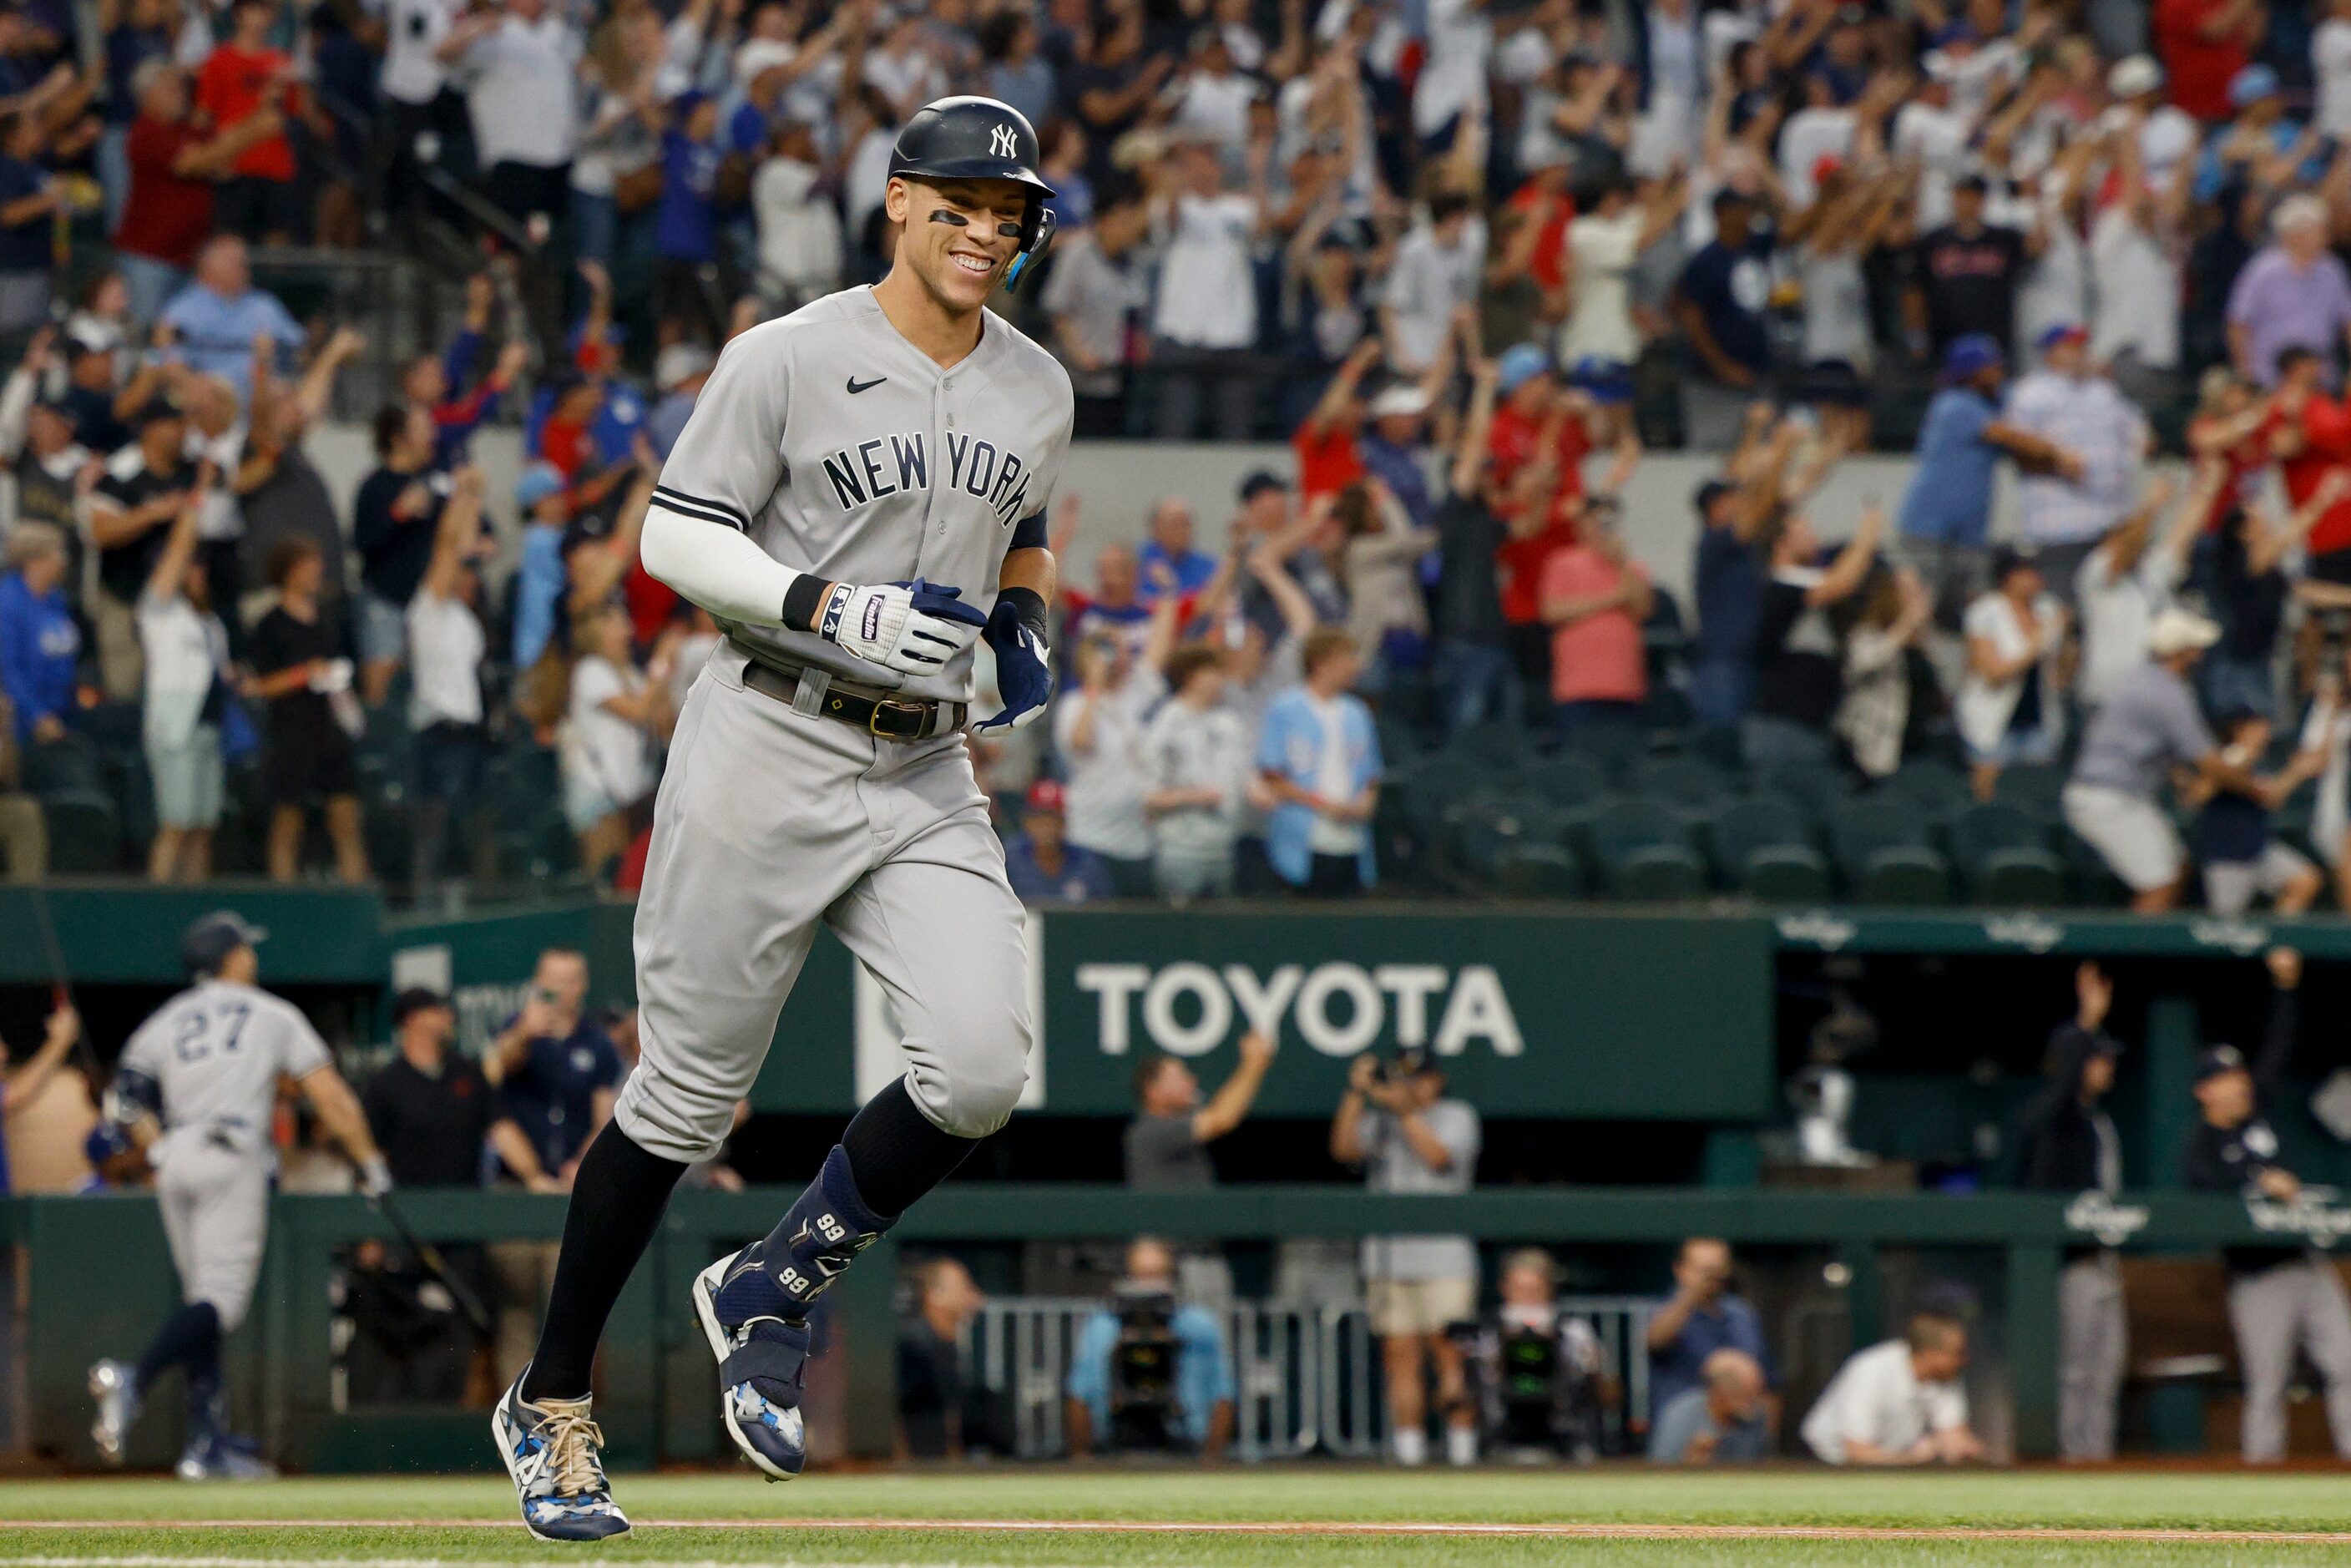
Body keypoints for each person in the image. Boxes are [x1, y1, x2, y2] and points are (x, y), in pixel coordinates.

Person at [489, 97, 1069, 1539]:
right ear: (895, 201)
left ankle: (773, 1275)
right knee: (681, 1100)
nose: (984, 232)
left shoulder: (1038, 384)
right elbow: (673, 530)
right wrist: (829, 601)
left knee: (985, 1062)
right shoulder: (788, 354)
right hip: (771, 731)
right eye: (960, 205)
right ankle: (551, 1397)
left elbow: (1029, 536)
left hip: (926, 764)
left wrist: (1029, 630)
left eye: (1007, 215)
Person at [88, 912, 389, 1480]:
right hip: (233, 1152)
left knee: (204, 1303)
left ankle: (207, 1445)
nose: (252, 955)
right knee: (219, 1302)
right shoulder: (271, 1013)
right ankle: (135, 1379)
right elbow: (331, 1095)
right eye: (245, 948)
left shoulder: (164, 1020)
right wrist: (370, 1162)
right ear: (232, 957)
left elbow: (124, 1106)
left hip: (175, 1156)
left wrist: (156, 1149)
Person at [2183, 948, 2351, 1463]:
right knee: (2267, 1384)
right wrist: (2258, 1177)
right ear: (2204, 1091)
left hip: (2307, 1263)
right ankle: (2263, 1478)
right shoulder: (2200, 1144)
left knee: (2346, 1366)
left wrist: (2285, 989)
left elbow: (2278, 1047)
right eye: (2227, 1080)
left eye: (2240, 1078)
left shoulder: (2262, 1114)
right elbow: (2206, 1188)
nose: (2240, 1086)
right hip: (2258, 1277)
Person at [1331, 1049, 1482, 1467]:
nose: (1412, 1086)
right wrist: (1357, 1092)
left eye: (1421, 1078)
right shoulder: (1379, 1119)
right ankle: (1410, 1453)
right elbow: (1344, 1150)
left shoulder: (1456, 1116)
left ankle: (1463, 1450)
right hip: (1390, 1257)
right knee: (1401, 1357)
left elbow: (1439, 1159)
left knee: (1451, 1356)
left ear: (1437, 1080)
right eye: (1404, 1078)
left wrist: (1405, 1113)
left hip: (1445, 1256)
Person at [484, 948, 624, 1388]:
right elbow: (491, 1077)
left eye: (570, 980)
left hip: (570, 1189)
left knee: (564, 1306)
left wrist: (581, 1165)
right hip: (517, 1188)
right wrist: (523, 1033)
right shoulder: (517, 1029)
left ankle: (557, 1406)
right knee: (515, 1306)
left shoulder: (596, 1043)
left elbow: (604, 1113)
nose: (560, 990)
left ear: (582, 985)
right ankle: (515, 1407)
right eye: (552, 980)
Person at [2064, 607, 2252, 912]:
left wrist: (2184, 781)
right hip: (2108, 799)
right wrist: (2254, 789)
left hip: (2123, 797)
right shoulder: (2166, 692)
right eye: (2194, 649)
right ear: (2180, 652)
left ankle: (2150, 955)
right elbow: (2209, 761)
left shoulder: (2141, 679)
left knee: (2178, 867)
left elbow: (2157, 747)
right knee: (2160, 883)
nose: (2200, 656)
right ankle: (2114, 959)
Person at [2015, 962, 2127, 1462]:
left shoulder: (2096, 1121)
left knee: (2105, 1372)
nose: (2107, 1065)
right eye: (2097, 1058)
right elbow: (2061, 1093)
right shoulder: (2049, 1117)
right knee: (2074, 1370)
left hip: (2103, 1260)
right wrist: (2086, 1024)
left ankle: (2096, 1461)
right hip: (2064, 1265)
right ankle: (2065, 1462)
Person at [1897, 336, 2081, 628]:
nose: (1998, 372)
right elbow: (2013, 438)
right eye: (1990, 367)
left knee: (1974, 613)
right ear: (1972, 372)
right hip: (1928, 529)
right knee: (1920, 611)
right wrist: (2061, 455)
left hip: (1969, 533)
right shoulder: (1954, 404)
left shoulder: (1993, 400)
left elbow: (2023, 403)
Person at [249, 539, 367, 885]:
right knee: (288, 820)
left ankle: (355, 897)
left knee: (346, 818)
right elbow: (260, 684)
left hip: (330, 729)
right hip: (292, 733)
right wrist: (304, 674)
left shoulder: (330, 619)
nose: (317, 572)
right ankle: (285, 900)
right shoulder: (271, 625)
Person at [2004, 325, 2151, 595]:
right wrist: (2055, 459)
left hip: (2109, 521)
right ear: (2051, 353)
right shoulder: (2031, 392)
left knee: (2109, 605)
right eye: (2071, 347)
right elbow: (2016, 449)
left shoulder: (2102, 390)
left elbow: (2138, 435)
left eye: (2082, 347)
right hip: (2059, 524)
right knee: (2062, 608)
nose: (2080, 354)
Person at [1064, 1237, 1236, 1457]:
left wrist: (1212, 1456)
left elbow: (1222, 1393)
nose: (1148, 1288)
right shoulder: (1102, 1327)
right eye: (1141, 1277)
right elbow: (1079, 1392)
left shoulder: (1198, 1326)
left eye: (1156, 1276)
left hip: (1185, 1441)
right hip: (1115, 1442)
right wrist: (1081, 1456)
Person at [1745, 503, 1886, 768]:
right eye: (1804, 533)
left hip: (1811, 724)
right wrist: (1867, 536)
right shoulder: (1782, 583)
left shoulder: (1804, 581)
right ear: (1781, 544)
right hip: (1782, 726)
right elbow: (1841, 582)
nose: (1814, 538)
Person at [407, 465, 491, 898]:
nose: (469, 576)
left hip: (469, 733)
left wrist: (473, 500)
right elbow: (449, 548)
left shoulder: (464, 619)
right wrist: (462, 494)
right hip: (439, 732)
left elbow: (464, 548)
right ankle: (426, 902)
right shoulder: (428, 609)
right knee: (436, 826)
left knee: (466, 830)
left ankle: (463, 901)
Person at [138, 477, 226, 883]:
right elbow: (176, 553)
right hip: (176, 725)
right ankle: (160, 900)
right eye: (192, 567)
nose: (198, 573)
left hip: (208, 726)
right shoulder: (158, 612)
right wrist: (193, 506)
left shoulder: (210, 623)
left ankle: (195, 901)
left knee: (202, 826)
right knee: (174, 823)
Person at [1256, 627, 1383, 895]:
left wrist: (1365, 804)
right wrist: (1322, 804)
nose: (1355, 666)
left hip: (1351, 839)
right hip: (1303, 840)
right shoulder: (1285, 708)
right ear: (1320, 664)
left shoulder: (1358, 713)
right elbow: (1272, 776)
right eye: (1347, 658)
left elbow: (1372, 775)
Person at [1472, 1248, 1615, 1463]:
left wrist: (1591, 1368)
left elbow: (1609, 1394)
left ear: (1550, 1288)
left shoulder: (1574, 1330)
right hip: (1501, 1435)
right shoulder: (1484, 1331)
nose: (1528, 1296)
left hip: (1563, 1434)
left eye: (1536, 1288)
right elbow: (1461, 1393)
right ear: (1504, 1287)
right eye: (1520, 1289)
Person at [1800, 1311, 1986, 1466]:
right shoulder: (1871, 1369)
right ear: (1930, 1354)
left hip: (1890, 1464)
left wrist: (1966, 1451)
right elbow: (1856, 1450)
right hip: (1827, 1464)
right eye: (1958, 1353)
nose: (1964, 1361)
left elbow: (1953, 1436)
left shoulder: (1946, 1377)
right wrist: (1913, 1459)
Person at [1957, 549, 2069, 802]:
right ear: (2009, 577)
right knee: (1990, 795)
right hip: (1994, 722)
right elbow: (1994, 673)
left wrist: (2066, 641)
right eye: (2028, 571)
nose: (2037, 577)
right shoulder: (1985, 612)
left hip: (2039, 721)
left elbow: (2059, 677)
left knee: (2036, 794)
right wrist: (2039, 641)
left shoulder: (2047, 610)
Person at [1140, 644, 1251, 899]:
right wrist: (1196, 796)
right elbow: (1149, 798)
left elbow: (1243, 775)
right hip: (1181, 850)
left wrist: (1258, 789)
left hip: (1224, 847)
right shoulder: (1165, 726)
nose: (1220, 679)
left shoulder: (1229, 723)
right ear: (1191, 677)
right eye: (1212, 672)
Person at [2193, 711, 2327, 917]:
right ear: (2240, 730)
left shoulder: (2261, 762)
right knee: (2226, 927)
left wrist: (2297, 771)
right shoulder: (2226, 756)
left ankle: (2279, 945)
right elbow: (2199, 794)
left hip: (2257, 848)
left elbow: (2270, 798)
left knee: (2304, 880)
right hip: (2226, 854)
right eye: (2256, 728)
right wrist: (2239, 762)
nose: (2264, 733)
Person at [1645, 1237, 1772, 1427]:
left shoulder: (1742, 1314)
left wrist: (1768, 1435)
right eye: (1703, 1268)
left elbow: (1769, 1382)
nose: (1712, 1275)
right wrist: (1691, 1292)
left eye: (1717, 1268)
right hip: (1683, 1428)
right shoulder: (1664, 1311)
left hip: (1741, 1426)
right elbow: (1656, 1340)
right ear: (1680, 1269)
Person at [1125, 1033, 1276, 1190]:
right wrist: (1253, 1064)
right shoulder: (1149, 1131)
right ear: (1152, 1090)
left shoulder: (1184, 1119)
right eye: (1180, 1077)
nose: (1191, 1081)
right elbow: (1221, 1119)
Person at [897, 1255, 996, 1459]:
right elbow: (893, 1410)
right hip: (914, 1465)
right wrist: (899, 1462)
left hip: (938, 1463)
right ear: (935, 1294)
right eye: (964, 1287)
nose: (973, 1296)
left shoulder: (950, 1343)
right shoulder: (913, 1344)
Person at [0, 524, 78, 750]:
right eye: (57, 554)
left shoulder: (56, 598)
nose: (63, 561)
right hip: (26, 723)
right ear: (33, 561)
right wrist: (38, 714)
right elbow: (9, 669)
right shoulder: (8, 602)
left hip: (64, 710)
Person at [1651, 1348, 1771, 1464]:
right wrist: (1691, 1462)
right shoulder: (1680, 1415)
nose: (1751, 1404)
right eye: (1744, 1395)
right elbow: (1659, 1467)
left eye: (1754, 1395)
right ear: (1719, 1391)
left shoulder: (1756, 1418)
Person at [1004, 778, 1115, 903]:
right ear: (1027, 822)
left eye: (1053, 818)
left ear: (1063, 823)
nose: (1046, 826)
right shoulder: (1009, 859)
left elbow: (1104, 910)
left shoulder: (1085, 862)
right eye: (1039, 818)